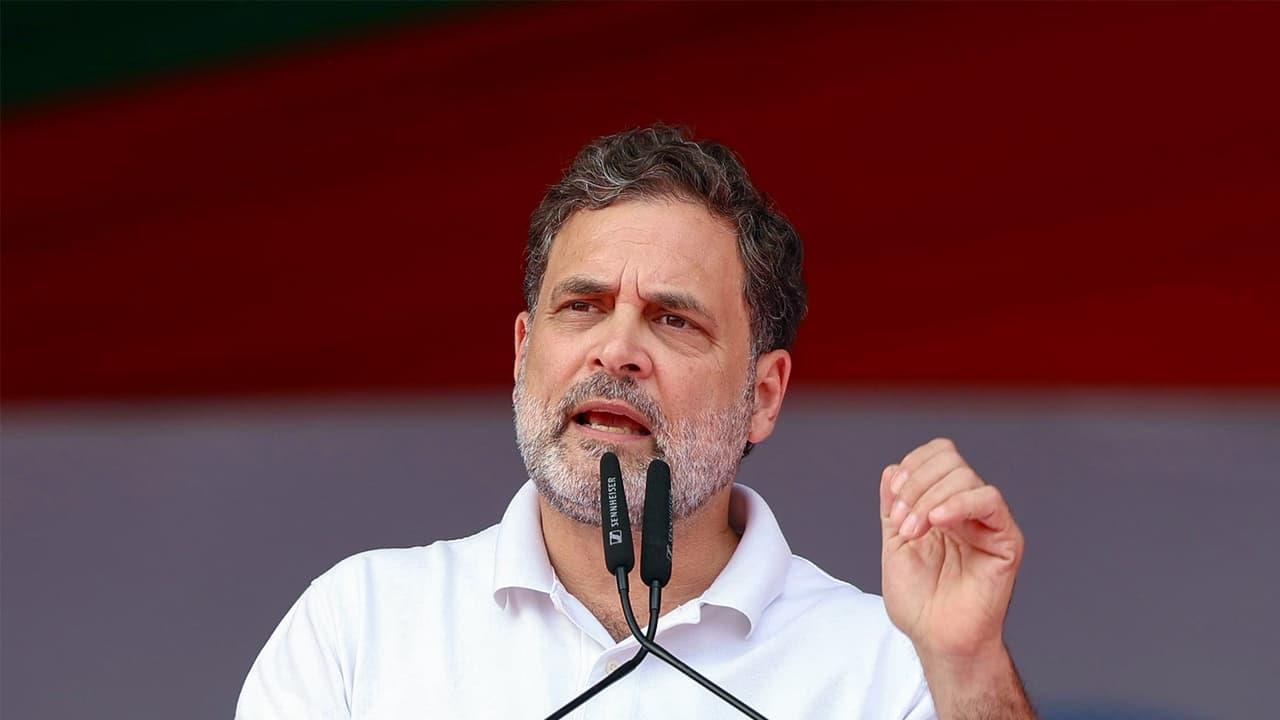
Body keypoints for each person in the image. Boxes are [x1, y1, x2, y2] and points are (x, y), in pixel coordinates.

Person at [236, 125, 1034, 718]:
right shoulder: (360, 628)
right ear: (522, 352)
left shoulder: (888, 670)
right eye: (583, 307)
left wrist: (967, 666)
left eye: (673, 320)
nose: (617, 351)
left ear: (763, 395)